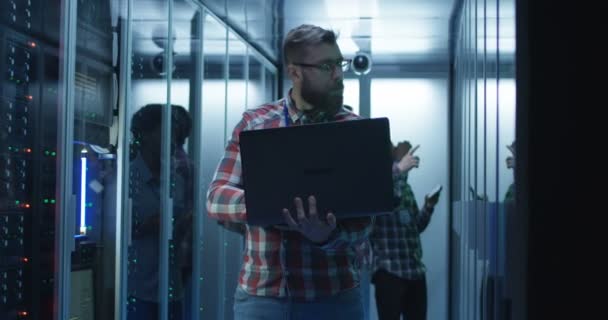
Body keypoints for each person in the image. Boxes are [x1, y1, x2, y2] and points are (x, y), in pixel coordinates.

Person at [206, 24, 373, 320]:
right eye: (327, 66)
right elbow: (216, 197)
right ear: (295, 72)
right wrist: (272, 206)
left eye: (339, 63)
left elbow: (365, 223)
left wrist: (328, 235)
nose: (338, 74)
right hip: (263, 299)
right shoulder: (255, 124)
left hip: (335, 297)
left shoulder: (354, 130)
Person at [127, 104, 193, 320]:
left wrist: (184, 226)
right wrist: (146, 225)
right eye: (166, 132)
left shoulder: (178, 181)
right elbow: (107, 237)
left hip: (172, 289)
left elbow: (179, 235)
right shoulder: (124, 180)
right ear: (145, 134)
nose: (173, 140)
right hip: (136, 291)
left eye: (175, 133)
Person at [370, 140, 440, 320]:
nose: (396, 147)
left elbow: (416, 227)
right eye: (393, 146)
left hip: (414, 271)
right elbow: (389, 201)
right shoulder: (377, 182)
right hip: (389, 273)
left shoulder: (405, 188)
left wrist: (429, 207)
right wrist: (399, 170)